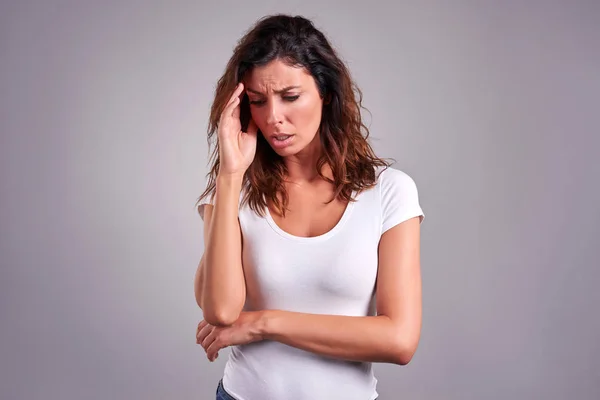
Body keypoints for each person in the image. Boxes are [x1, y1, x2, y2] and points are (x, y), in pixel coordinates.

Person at [194, 14, 425, 400]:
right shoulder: (233, 190)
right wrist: (231, 176)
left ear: (326, 93)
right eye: (257, 101)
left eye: (290, 97)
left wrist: (265, 323)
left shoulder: (388, 193)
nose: (273, 118)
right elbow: (220, 310)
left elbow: (399, 340)